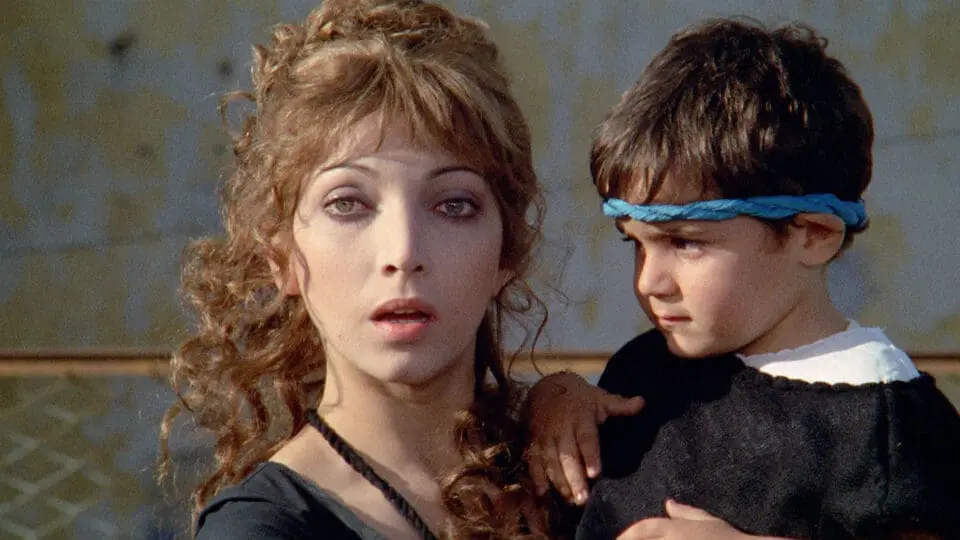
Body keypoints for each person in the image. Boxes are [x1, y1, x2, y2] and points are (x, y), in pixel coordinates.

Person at [525, 17, 960, 540]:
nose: (648, 282)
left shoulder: (886, 424)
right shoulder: (645, 368)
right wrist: (554, 399)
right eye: (634, 243)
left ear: (814, 235)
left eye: (685, 242)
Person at [158, 1, 552, 537]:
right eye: (348, 203)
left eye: (453, 205)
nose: (403, 252)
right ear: (281, 257)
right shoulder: (261, 528)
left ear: (507, 253)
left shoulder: (595, 468)